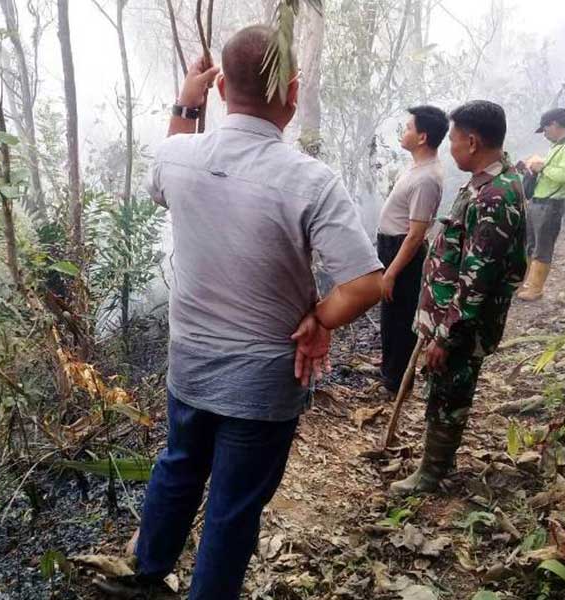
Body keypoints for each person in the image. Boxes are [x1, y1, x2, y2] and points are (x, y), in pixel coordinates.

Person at [96, 25, 384, 600]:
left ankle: (146, 573)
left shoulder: (179, 157)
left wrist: (187, 100)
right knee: (232, 506)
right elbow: (366, 283)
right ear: (294, 92)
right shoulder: (311, 180)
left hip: (191, 366)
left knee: (177, 468)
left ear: (223, 87)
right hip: (264, 381)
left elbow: (167, 169)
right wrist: (320, 319)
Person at [390, 100, 527, 495]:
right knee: (446, 388)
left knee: (451, 392)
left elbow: (478, 276)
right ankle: (433, 464)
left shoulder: (495, 197)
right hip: (453, 318)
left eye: (452, 140)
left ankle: (432, 473)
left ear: (472, 140)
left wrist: (445, 335)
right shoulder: (490, 180)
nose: (450, 148)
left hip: (462, 324)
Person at [378, 106, 448, 395]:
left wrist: (392, 271)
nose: (403, 133)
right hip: (392, 246)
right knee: (390, 314)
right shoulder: (417, 166)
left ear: (422, 137)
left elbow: (416, 234)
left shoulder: (426, 179)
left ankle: (395, 384)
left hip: (402, 251)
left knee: (400, 316)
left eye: (408, 128)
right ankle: (389, 370)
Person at [517, 108, 565, 301]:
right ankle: (526, 283)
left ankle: (535, 288)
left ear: (554, 124)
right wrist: (530, 170)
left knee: (542, 247)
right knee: (530, 245)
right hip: (538, 202)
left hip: (551, 205)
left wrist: (542, 167)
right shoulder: (558, 146)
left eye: (545, 129)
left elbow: (563, 176)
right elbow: (549, 173)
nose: (544, 134)